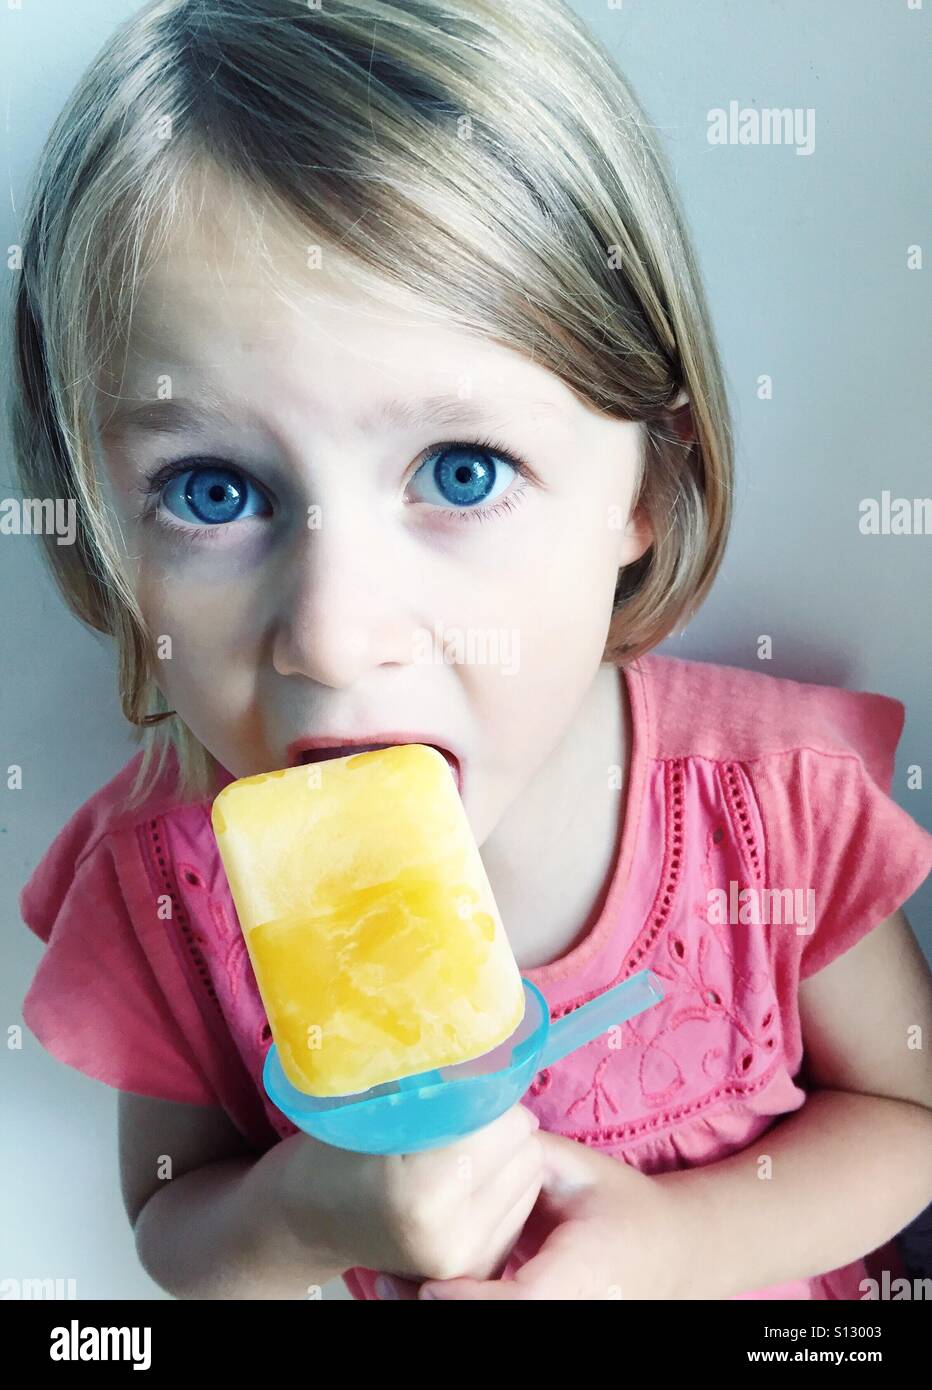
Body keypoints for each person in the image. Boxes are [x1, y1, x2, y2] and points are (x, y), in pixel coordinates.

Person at [14, 0, 932, 1301]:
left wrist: (673, 1246)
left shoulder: (770, 805)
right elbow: (176, 1230)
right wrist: (297, 1212)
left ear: (646, 490)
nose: (333, 632)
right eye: (214, 491)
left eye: (460, 469)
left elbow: (912, 1119)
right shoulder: (164, 887)